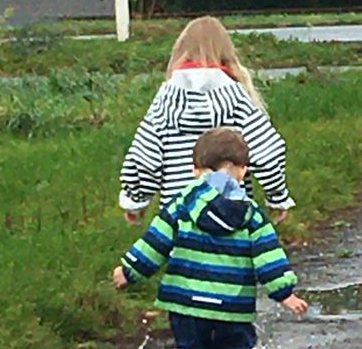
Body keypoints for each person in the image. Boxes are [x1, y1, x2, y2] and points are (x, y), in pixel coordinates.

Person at [113, 127, 308, 349]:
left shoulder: (180, 206)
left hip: (186, 306)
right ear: (243, 172)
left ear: (195, 169)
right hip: (231, 308)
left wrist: (129, 271)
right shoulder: (251, 214)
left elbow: (156, 243)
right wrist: (285, 293)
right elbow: (268, 254)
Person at [119, 15, 294, 225]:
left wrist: (135, 201)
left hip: (179, 219)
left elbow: (144, 159)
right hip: (231, 217)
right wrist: (277, 197)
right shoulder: (237, 100)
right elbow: (267, 154)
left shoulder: (165, 102)